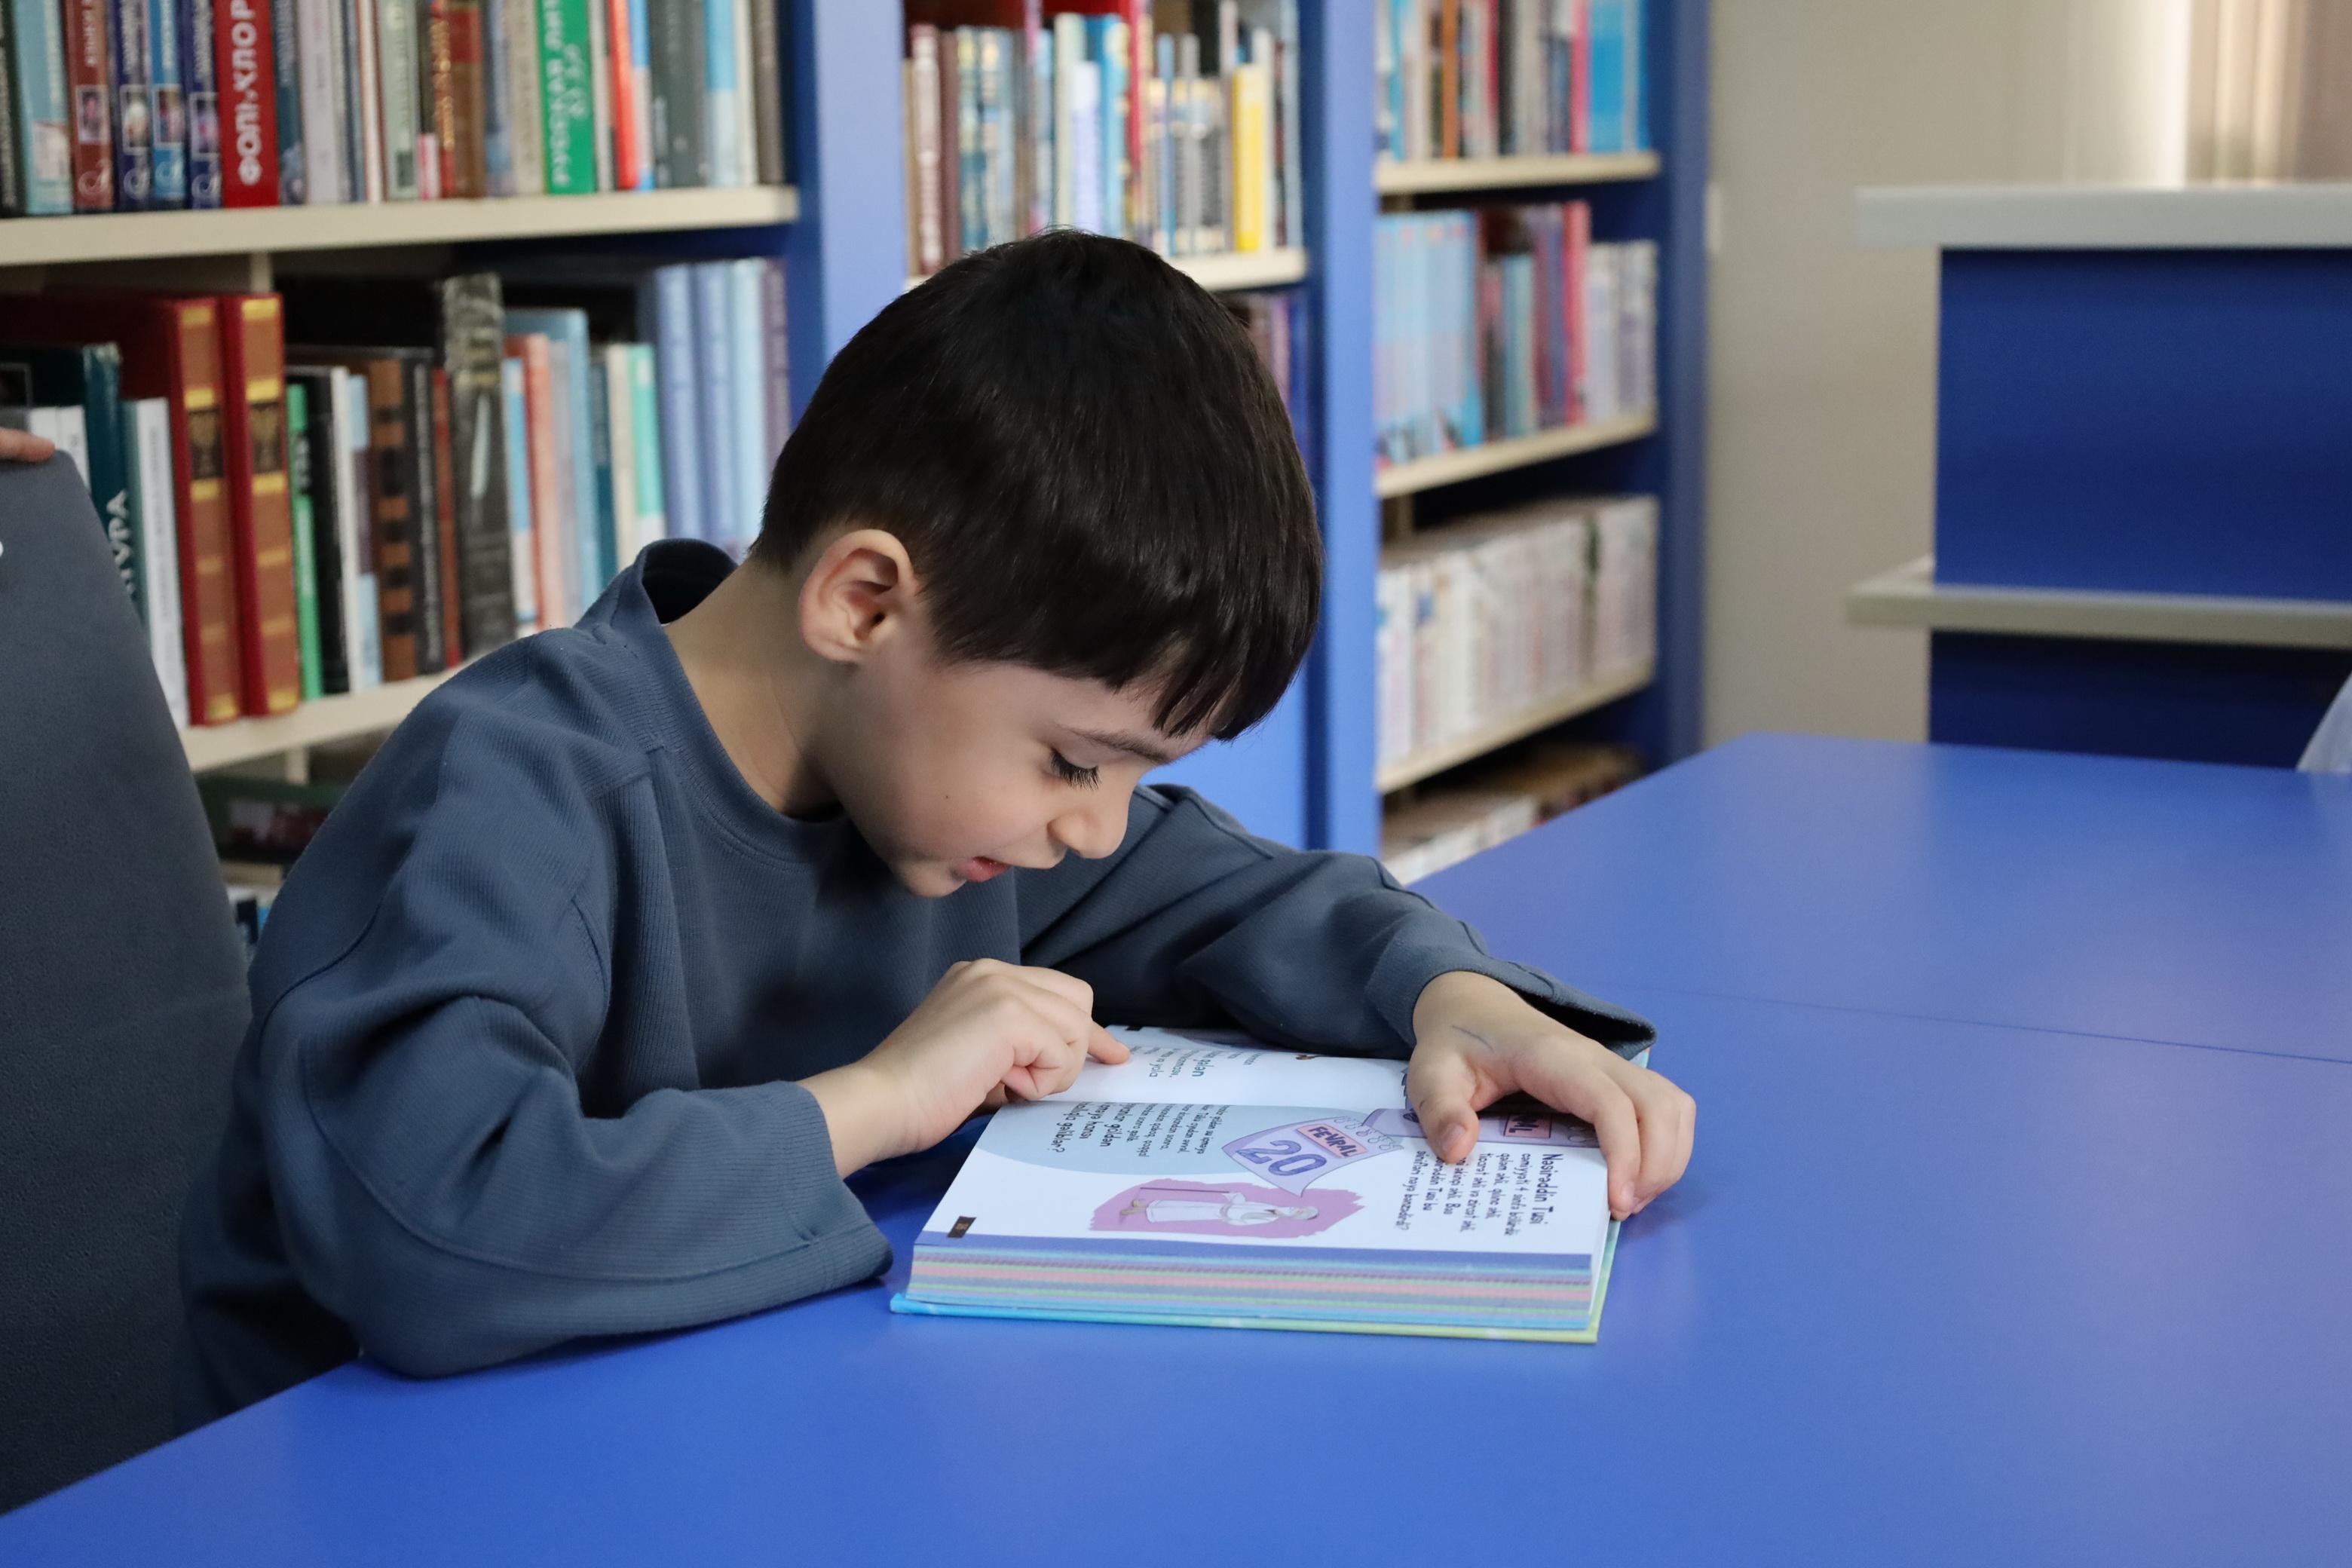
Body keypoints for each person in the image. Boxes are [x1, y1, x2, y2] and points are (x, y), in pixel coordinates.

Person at [173, 231, 1696, 1428]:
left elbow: (1243, 899)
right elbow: (436, 1227)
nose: (1094, 832)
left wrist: (1460, 1000)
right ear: (865, 603)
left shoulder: (936, 789)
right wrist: (886, 1099)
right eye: (1074, 760)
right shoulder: (514, 789)